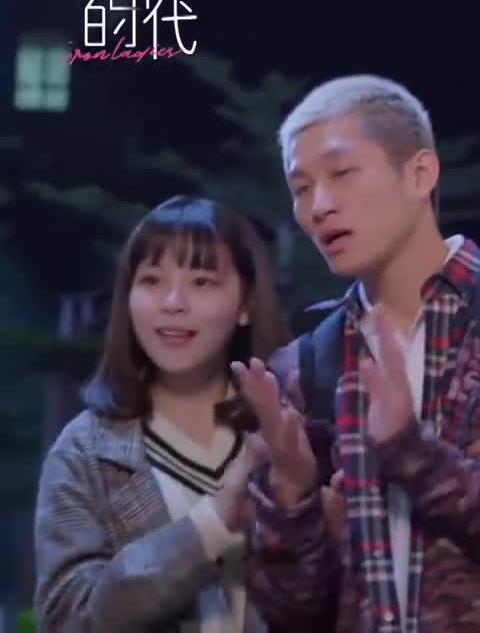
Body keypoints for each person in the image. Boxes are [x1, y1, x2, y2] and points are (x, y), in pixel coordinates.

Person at [233, 74, 480, 631]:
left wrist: (414, 456)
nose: (319, 206)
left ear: (420, 173)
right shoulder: (306, 367)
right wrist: (292, 499)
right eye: (301, 188)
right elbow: (294, 612)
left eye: (342, 173)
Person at [33, 196, 292, 632]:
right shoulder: (84, 453)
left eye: (201, 282)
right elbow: (67, 619)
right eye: (151, 280)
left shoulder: (287, 430)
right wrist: (211, 525)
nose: (173, 302)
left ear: (246, 302)